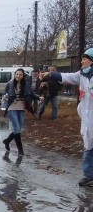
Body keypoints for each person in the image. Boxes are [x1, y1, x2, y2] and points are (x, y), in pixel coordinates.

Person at [41, 48, 93, 186]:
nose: (82, 61)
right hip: (87, 117)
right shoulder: (81, 75)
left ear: (92, 61)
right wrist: (50, 74)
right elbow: (66, 77)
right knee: (88, 144)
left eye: (85, 59)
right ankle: (88, 175)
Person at [1, 68, 32, 155]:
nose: (18, 76)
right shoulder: (10, 83)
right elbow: (4, 93)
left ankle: (7, 141)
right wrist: (4, 97)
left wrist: (38, 97)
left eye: (20, 75)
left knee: (18, 129)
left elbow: (31, 93)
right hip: (12, 107)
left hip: (21, 108)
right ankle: (20, 151)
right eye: (17, 74)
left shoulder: (25, 84)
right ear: (15, 74)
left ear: (23, 76)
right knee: (17, 129)